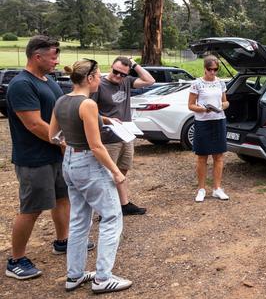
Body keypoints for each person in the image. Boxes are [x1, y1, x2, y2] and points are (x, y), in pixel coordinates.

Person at [5, 35, 94, 280]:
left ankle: (63, 241)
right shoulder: (22, 84)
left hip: (54, 154)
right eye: (53, 56)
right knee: (31, 209)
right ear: (37, 56)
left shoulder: (47, 81)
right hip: (34, 158)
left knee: (63, 198)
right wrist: (62, 141)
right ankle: (16, 260)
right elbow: (34, 124)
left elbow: (60, 111)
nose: (57, 61)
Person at [50, 59, 132, 293]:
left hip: (70, 163)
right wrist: (116, 172)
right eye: (98, 75)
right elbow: (96, 146)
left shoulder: (61, 100)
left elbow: (52, 135)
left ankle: (74, 275)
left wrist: (68, 143)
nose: (101, 79)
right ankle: (103, 278)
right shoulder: (87, 104)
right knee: (112, 217)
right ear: (89, 78)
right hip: (88, 163)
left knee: (79, 220)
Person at [91, 56, 154, 215]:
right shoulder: (99, 85)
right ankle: (105, 210)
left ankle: (123, 204)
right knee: (107, 174)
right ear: (111, 66)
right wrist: (107, 120)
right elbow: (89, 112)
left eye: (123, 74)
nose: (118, 76)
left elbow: (149, 80)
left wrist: (134, 65)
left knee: (122, 170)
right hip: (108, 137)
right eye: (116, 72)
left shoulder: (126, 82)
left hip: (126, 134)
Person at [187, 55, 230, 202]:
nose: (213, 72)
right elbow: (191, 105)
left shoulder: (220, 83)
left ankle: (217, 188)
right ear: (204, 69)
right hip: (203, 122)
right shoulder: (197, 84)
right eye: (210, 69)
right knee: (202, 156)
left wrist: (221, 106)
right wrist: (203, 110)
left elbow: (226, 102)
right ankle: (201, 189)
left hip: (219, 120)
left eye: (215, 69)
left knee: (218, 156)